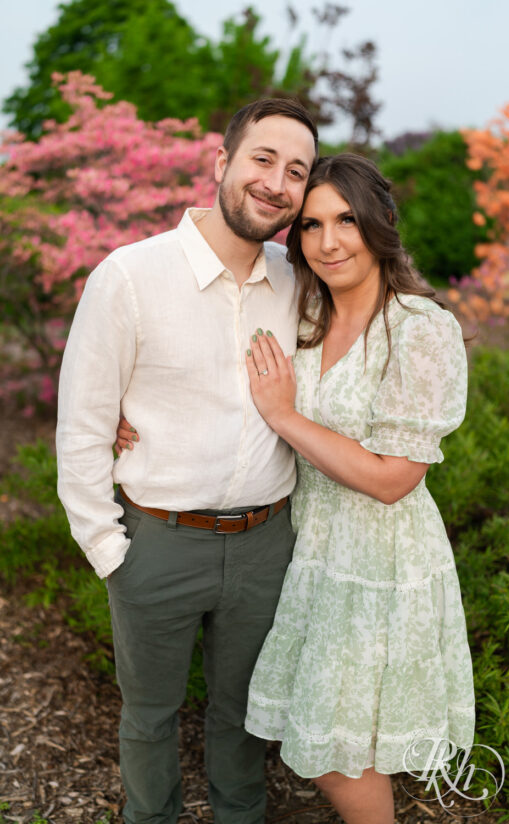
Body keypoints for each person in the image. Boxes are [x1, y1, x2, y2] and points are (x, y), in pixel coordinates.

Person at [56, 98, 318, 824]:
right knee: (149, 720)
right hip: (156, 544)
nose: (277, 182)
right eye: (263, 159)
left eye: (296, 171)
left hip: (266, 543)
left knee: (243, 720)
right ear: (221, 164)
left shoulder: (298, 281)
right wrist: (110, 549)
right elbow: (79, 428)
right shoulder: (130, 277)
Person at [240, 154, 475, 824]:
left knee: (339, 759)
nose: (329, 241)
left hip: (381, 566)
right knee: (337, 748)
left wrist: (285, 416)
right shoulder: (303, 323)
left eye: (346, 220)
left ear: (379, 223)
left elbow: (394, 479)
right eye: (311, 226)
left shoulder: (417, 328)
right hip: (314, 554)